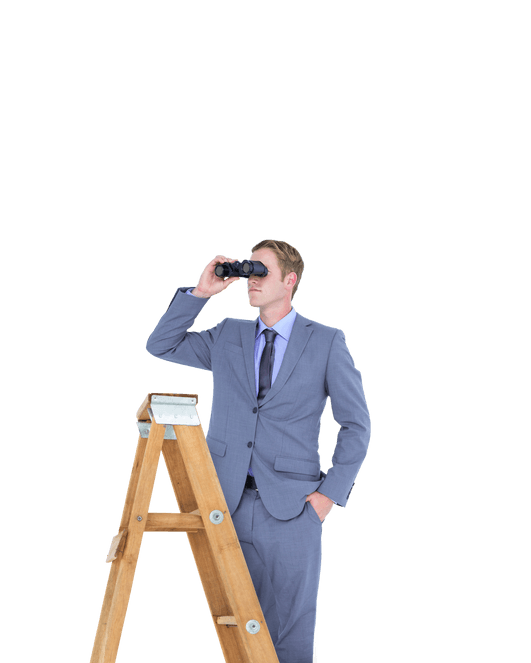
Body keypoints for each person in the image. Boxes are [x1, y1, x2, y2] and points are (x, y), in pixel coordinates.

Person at [144, 239, 371, 663]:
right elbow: (161, 344)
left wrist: (328, 495)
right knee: (236, 629)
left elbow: (356, 425)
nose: (251, 280)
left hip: (293, 508)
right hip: (224, 502)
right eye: (247, 271)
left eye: (260, 271)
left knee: (289, 632)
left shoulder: (325, 342)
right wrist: (202, 293)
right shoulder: (228, 334)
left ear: (290, 280)